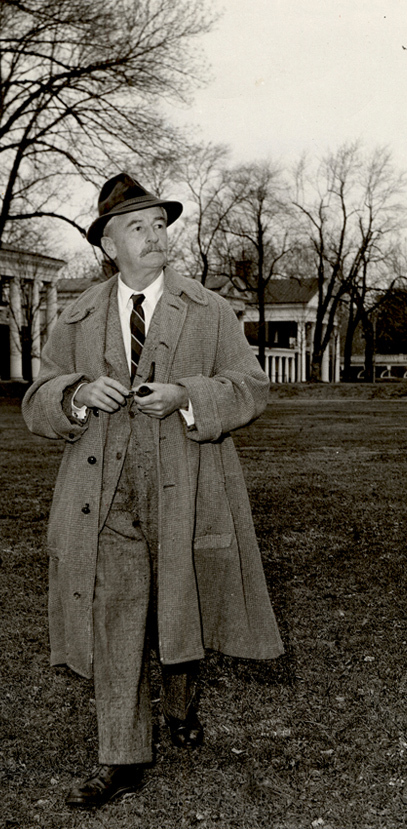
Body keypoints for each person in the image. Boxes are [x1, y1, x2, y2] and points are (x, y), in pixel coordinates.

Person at [22, 173, 284, 808]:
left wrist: (189, 396)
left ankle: (181, 702)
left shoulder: (209, 310)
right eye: (137, 226)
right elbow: (36, 400)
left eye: (160, 224)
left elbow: (251, 387)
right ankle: (121, 757)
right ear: (108, 246)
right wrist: (76, 393)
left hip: (189, 491)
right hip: (101, 499)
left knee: (180, 607)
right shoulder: (77, 316)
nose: (154, 235)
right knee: (115, 618)